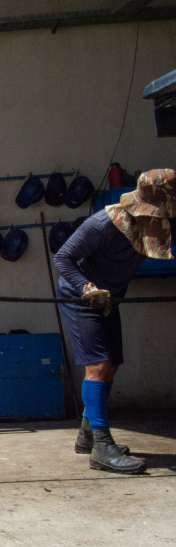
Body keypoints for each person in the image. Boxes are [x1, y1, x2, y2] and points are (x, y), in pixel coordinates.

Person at [54, 169, 176, 475]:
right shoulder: (102, 225)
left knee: (112, 364)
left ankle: (87, 435)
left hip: (110, 297)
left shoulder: (153, 224)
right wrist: (87, 288)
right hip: (80, 295)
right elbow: (63, 258)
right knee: (98, 363)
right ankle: (101, 446)